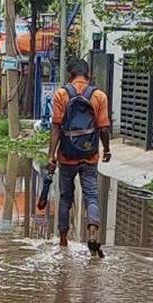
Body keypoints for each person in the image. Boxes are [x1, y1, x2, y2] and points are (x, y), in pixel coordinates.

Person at [43, 59, 112, 255]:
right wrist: (106, 150)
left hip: (66, 156)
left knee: (65, 198)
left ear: (69, 76)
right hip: (90, 156)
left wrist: (51, 156)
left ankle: (63, 241)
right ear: (88, 75)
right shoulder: (99, 96)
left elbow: (56, 127)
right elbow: (104, 128)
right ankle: (92, 232)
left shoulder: (61, 94)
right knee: (91, 195)